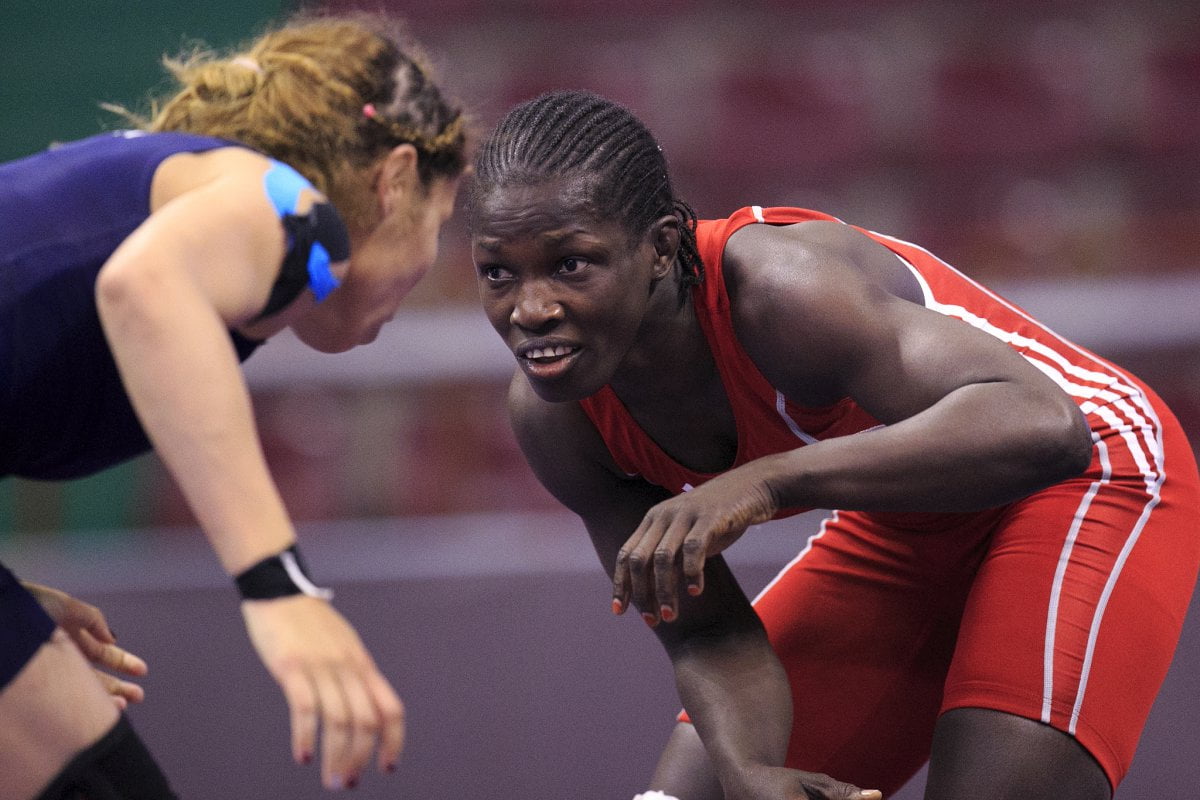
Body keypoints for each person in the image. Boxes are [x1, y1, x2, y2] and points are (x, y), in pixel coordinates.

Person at [467, 90, 1200, 800]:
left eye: (570, 265)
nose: (530, 310)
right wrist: (751, 770)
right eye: (498, 272)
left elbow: (1045, 426)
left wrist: (766, 482)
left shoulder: (782, 288)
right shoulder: (556, 421)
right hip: (911, 518)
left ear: (660, 249)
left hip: (1093, 472)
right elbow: (706, 635)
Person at [0, 12, 466, 798]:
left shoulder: (201, 207)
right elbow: (143, 289)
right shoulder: (293, 216)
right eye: (440, 223)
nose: (429, 264)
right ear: (393, 181)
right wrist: (281, 592)